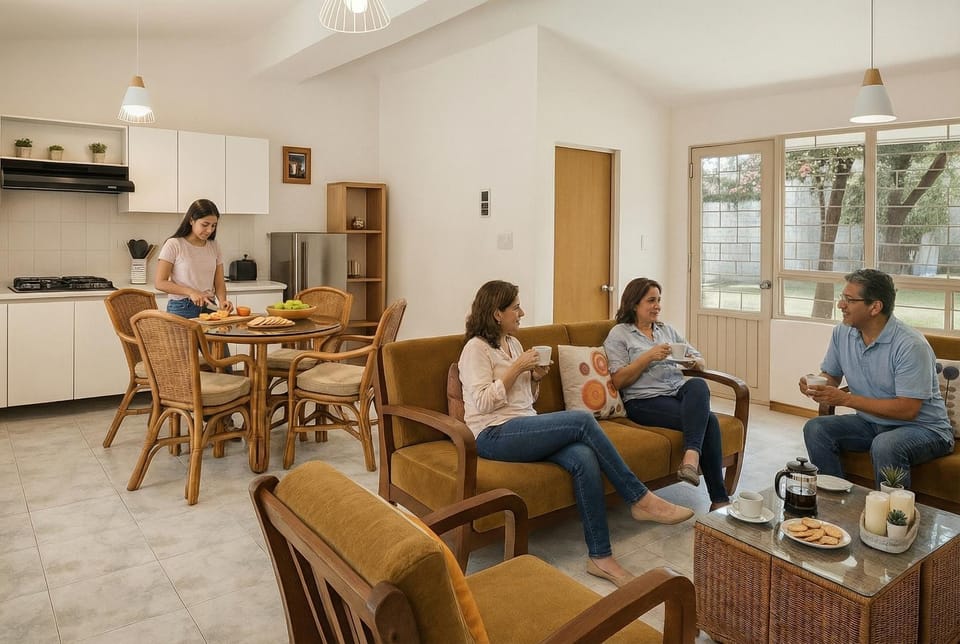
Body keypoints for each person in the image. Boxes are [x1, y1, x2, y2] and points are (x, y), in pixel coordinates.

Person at [458, 280, 694, 588]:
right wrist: (517, 368)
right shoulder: (475, 349)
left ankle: (600, 557)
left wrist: (534, 378)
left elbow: (524, 402)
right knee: (582, 421)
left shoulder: (512, 342)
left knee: (583, 457)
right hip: (492, 434)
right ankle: (640, 498)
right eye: (516, 307)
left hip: (523, 425)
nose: (522, 313)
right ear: (495, 313)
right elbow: (483, 402)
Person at [799, 269, 953, 487]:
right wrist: (816, 384)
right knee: (816, 429)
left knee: (886, 444)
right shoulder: (842, 333)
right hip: (871, 423)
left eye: (849, 300)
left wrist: (845, 400)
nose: (841, 305)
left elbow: (908, 409)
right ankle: (835, 501)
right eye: (843, 298)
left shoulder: (910, 345)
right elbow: (831, 376)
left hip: (926, 429)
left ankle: (891, 518)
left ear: (875, 307)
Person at [603, 277, 731, 511]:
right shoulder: (620, 334)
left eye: (659, 300)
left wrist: (693, 361)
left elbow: (699, 358)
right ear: (634, 304)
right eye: (651, 301)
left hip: (676, 392)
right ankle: (720, 500)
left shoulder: (666, 330)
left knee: (698, 386)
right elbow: (619, 380)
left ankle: (691, 456)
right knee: (710, 421)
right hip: (643, 400)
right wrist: (648, 357)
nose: (657, 306)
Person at [155, 199, 233, 319]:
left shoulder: (214, 246)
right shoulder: (174, 244)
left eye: (213, 225)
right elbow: (160, 283)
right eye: (205, 224)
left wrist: (223, 301)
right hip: (182, 308)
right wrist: (191, 292)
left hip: (210, 307)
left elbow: (219, 282)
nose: (209, 230)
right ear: (191, 220)